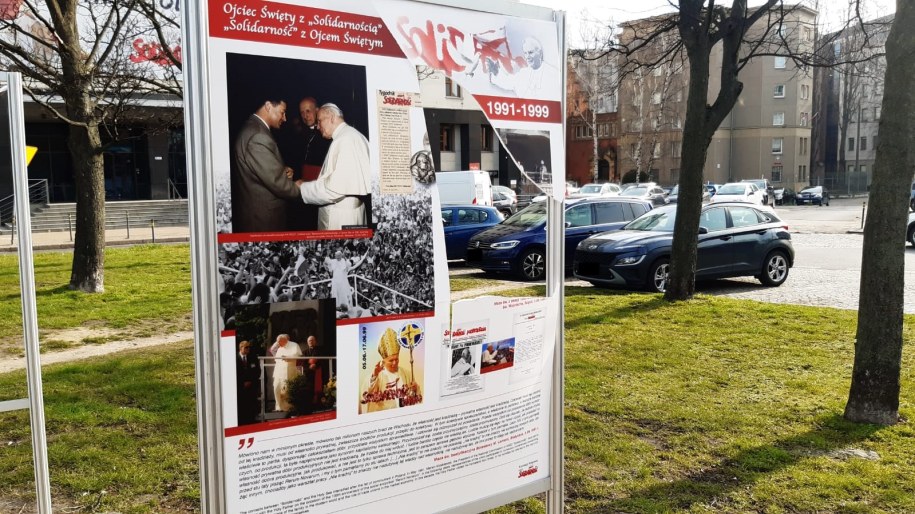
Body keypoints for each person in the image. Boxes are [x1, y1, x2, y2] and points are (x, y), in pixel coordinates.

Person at [296, 104, 371, 230]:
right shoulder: (354, 135)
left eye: (319, 121)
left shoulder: (344, 140)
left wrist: (302, 188)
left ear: (331, 118)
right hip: (352, 211)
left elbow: (333, 190)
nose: (318, 126)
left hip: (340, 217)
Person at [232, 98, 301, 233]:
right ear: (268, 106)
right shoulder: (258, 135)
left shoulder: (253, 128)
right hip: (264, 220)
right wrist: (300, 188)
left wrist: (281, 170)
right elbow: (277, 183)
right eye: (282, 112)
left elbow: (258, 170)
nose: (285, 118)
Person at [361, 328, 420, 413]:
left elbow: (415, 396)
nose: (395, 363)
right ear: (383, 360)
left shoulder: (406, 374)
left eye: (396, 359)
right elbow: (366, 394)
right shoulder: (378, 376)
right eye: (391, 360)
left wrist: (415, 389)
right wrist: (374, 375)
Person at [488, 36, 558, 99]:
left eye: (530, 52)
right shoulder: (524, 73)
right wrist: (495, 72)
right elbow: (508, 82)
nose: (527, 57)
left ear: (539, 53)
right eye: (525, 53)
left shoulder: (553, 74)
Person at [269, 334, 302, 412]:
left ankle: (287, 408)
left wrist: (288, 357)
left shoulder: (294, 345)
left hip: (288, 370)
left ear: (284, 340)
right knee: (276, 388)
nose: (278, 344)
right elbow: (275, 357)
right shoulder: (280, 347)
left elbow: (298, 356)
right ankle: (278, 407)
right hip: (278, 371)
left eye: (279, 342)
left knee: (287, 390)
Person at [236, 340, 261, 425]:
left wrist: (250, 381)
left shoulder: (253, 358)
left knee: (251, 407)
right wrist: (242, 383)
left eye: (249, 347)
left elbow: (257, 372)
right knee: (241, 408)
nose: (248, 349)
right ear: (241, 348)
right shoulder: (234, 358)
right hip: (239, 388)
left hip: (251, 387)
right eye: (246, 347)